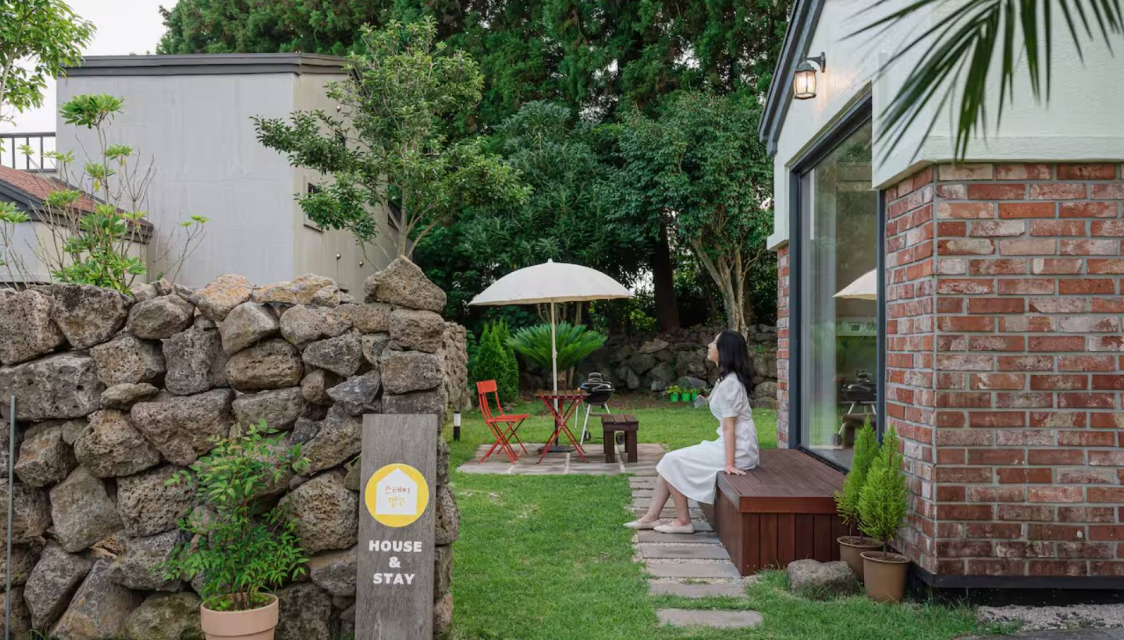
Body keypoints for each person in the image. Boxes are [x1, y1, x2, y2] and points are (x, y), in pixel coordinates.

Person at [625, 330, 759, 534]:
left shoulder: (730, 385)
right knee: (669, 461)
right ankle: (651, 517)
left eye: (714, 343)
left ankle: (683, 521)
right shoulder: (725, 380)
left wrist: (729, 464)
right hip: (729, 443)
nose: (709, 345)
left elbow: (729, 427)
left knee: (672, 460)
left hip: (739, 449)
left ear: (724, 351)